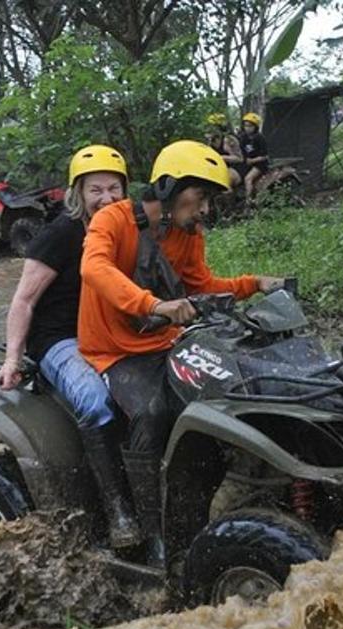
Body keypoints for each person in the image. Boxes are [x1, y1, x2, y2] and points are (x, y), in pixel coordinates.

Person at [78, 140, 283, 556]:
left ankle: (209, 497)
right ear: (170, 187)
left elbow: (201, 284)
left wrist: (253, 284)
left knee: (221, 392)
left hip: (166, 341)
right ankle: (148, 530)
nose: (205, 208)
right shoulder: (112, 221)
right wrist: (153, 304)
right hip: (114, 351)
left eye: (209, 199)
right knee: (152, 412)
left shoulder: (186, 234)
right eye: (201, 196)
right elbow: (93, 267)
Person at [0, 144, 144, 549]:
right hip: (63, 338)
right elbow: (23, 300)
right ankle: (119, 513)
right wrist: (12, 359)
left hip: (113, 330)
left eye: (114, 188)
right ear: (77, 193)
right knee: (95, 401)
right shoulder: (61, 234)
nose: (106, 198)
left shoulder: (129, 228)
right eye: (96, 190)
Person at [204, 112, 243, 192]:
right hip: (220, 168)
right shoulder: (210, 141)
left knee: (224, 182)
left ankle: (229, 200)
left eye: (212, 128)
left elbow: (239, 159)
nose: (209, 130)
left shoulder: (229, 140)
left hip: (236, 168)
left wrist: (222, 158)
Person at [238, 111, 270, 201]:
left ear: (255, 127)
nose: (247, 128)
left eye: (250, 126)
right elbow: (241, 151)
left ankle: (248, 201)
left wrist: (253, 160)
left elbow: (265, 156)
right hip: (247, 162)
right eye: (245, 125)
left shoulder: (260, 138)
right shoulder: (243, 137)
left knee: (248, 178)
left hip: (260, 164)